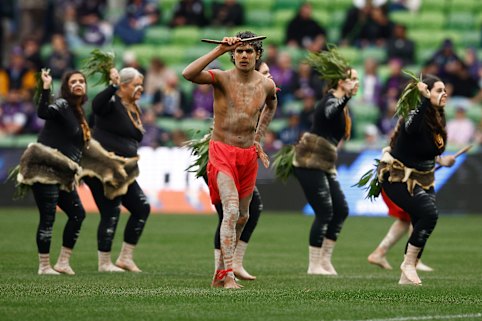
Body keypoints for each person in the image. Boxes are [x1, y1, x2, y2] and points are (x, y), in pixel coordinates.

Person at [182, 31, 277, 288]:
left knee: (243, 216)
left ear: (258, 55)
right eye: (239, 51)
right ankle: (228, 276)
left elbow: (271, 103)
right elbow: (188, 74)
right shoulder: (221, 78)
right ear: (233, 55)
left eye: (249, 51)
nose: (243, 56)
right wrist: (219, 51)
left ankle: (221, 272)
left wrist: (258, 138)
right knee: (232, 210)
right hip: (222, 151)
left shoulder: (266, 84)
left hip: (247, 156)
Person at [377, 74, 455, 285]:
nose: (444, 93)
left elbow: (427, 147)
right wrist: (421, 100)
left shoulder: (439, 115)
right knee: (429, 214)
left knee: (424, 219)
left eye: (445, 90)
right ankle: (409, 264)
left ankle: (406, 274)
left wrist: (442, 159)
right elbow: (411, 129)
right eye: (439, 90)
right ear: (426, 92)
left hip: (423, 176)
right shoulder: (414, 113)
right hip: (397, 176)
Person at [290, 49, 359, 276]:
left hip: (325, 162)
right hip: (309, 160)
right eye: (352, 79)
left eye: (357, 79)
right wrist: (346, 97)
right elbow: (330, 113)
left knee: (341, 209)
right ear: (341, 82)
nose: (355, 83)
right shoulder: (330, 99)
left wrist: (346, 99)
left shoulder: (341, 102)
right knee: (325, 211)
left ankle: (326, 261)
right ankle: (313, 265)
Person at [16, 69, 90, 275]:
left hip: (63, 173)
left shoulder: (79, 112)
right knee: (48, 217)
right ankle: (44, 266)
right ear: (66, 87)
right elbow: (43, 113)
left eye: (81, 81)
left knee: (78, 214)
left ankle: (63, 263)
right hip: (46, 168)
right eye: (73, 81)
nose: (78, 84)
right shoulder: (63, 104)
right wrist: (46, 88)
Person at [83, 67, 151, 273]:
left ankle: (125, 258)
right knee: (110, 211)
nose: (141, 88)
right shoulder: (111, 104)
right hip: (104, 168)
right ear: (123, 86)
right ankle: (104, 263)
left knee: (141, 208)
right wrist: (111, 86)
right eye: (136, 84)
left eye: (142, 84)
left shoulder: (133, 107)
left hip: (125, 170)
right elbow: (96, 105)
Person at [367, 191, 434, 272]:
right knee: (418, 214)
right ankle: (414, 261)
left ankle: (378, 254)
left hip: (392, 185)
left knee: (406, 219)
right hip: (397, 185)